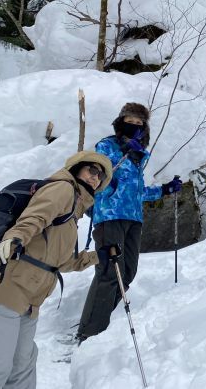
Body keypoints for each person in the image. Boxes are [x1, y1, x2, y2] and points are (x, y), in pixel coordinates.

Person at [0, 151, 114, 389]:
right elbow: (34, 217)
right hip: (5, 285)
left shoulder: (73, 212)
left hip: (30, 298)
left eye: (101, 176)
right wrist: (14, 238)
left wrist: (99, 256)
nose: (95, 177)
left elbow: (62, 262)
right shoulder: (62, 189)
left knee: (23, 365)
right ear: (77, 168)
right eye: (92, 170)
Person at [77, 103, 182, 342]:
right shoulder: (106, 146)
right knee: (109, 272)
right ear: (120, 122)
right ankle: (89, 332)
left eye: (139, 123)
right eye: (130, 121)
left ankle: (100, 320)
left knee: (127, 273)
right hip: (109, 216)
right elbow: (101, 176)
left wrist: (165, 190)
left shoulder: (138, 156)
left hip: (133, 218)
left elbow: (135, 191)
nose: (134, 126)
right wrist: (124, 150)